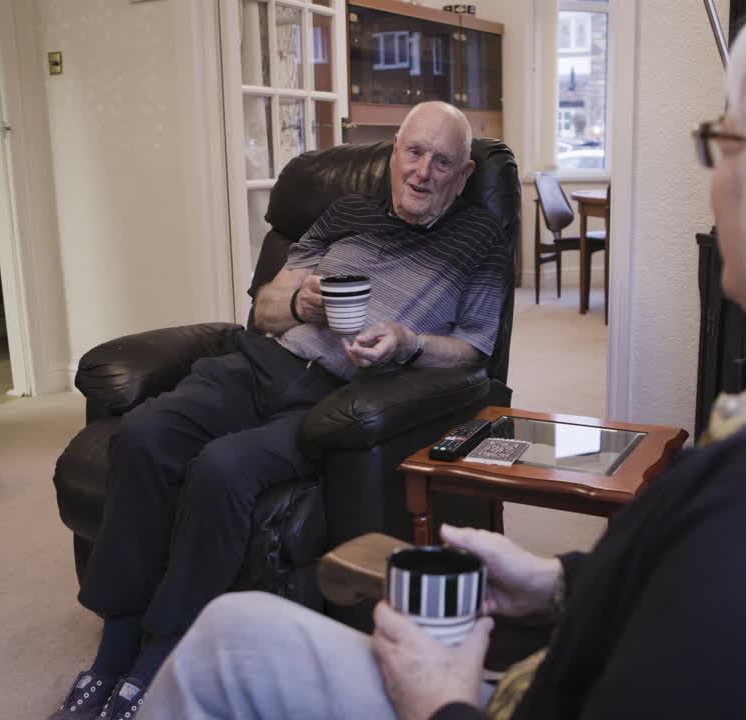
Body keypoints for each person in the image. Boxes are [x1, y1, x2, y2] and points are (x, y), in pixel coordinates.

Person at [139, 1, 746, 718]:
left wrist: (440, 696)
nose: (710, 170)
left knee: (230, 645)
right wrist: (561, 586)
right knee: (239, 628)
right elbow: (707, 618)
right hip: (550, 650)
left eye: (722, 138)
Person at [50, 101, 511, 720]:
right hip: (260, 363)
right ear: (394, 152)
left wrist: (410, 343)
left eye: (443, 161)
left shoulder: (480, 239)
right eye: (413, 152)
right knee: (142, 434)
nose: (423, 171)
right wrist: (301, 303)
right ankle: (115, 643)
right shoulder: (346, 213)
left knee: (223, 468)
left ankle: (156, 654)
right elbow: (264, 309)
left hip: (340, 398)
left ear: (462, 176)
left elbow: (475, 351)